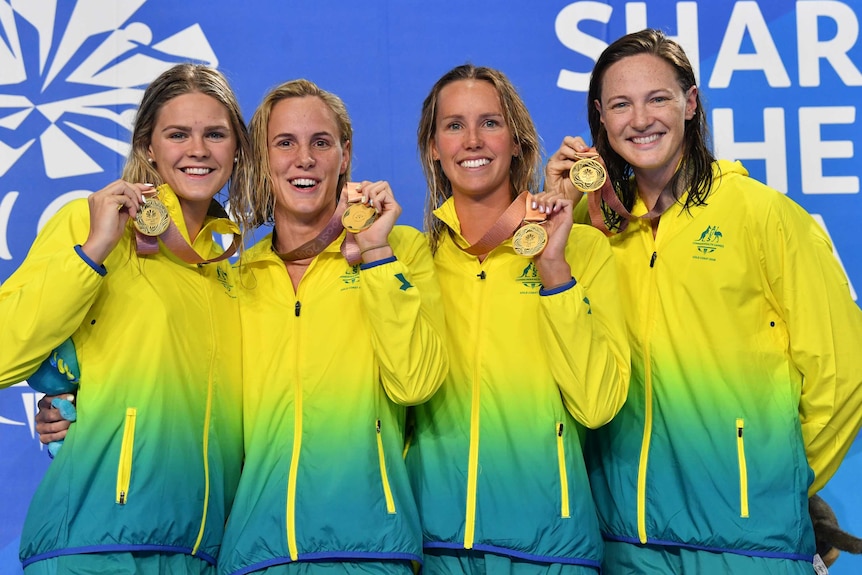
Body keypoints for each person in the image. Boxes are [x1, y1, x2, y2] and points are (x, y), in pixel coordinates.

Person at [544, 28, 862, 574]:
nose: (640, 119)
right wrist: (560, 211)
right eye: (621, 104)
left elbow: (845, 368)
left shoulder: (764, 216)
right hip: (628, 541)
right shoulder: (595, 234)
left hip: (748, 540)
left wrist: (773, 478)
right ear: (601, 117)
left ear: (690, 103)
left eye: (658, 98)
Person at [0, 63, 251, 574]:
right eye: (177, 134)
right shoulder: (93, 224)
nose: (198, 150)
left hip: (202, 554)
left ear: (237, 150)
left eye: (215, 134)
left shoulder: (233, 273)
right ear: (147, 147)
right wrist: (93, 251)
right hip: (94, 545)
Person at [215, 79, 448, 575]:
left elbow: (416, 383)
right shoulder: (235, 278)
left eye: (321, 142)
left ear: (345, 156)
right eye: (286, 143)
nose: (305, 158)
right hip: (258, 555)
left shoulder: (400, 251)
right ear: (261, 158)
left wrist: (376, 254)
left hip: (372, 550)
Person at [406, 64, 630, 574]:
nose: (472, 140)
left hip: (550, 548)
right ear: (432, 148)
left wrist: (553, 270)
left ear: (517, 141)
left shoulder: (583, 250)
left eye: (490, 122)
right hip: (435, 547)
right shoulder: (413, 257)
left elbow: (597, 405)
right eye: (454, 125)